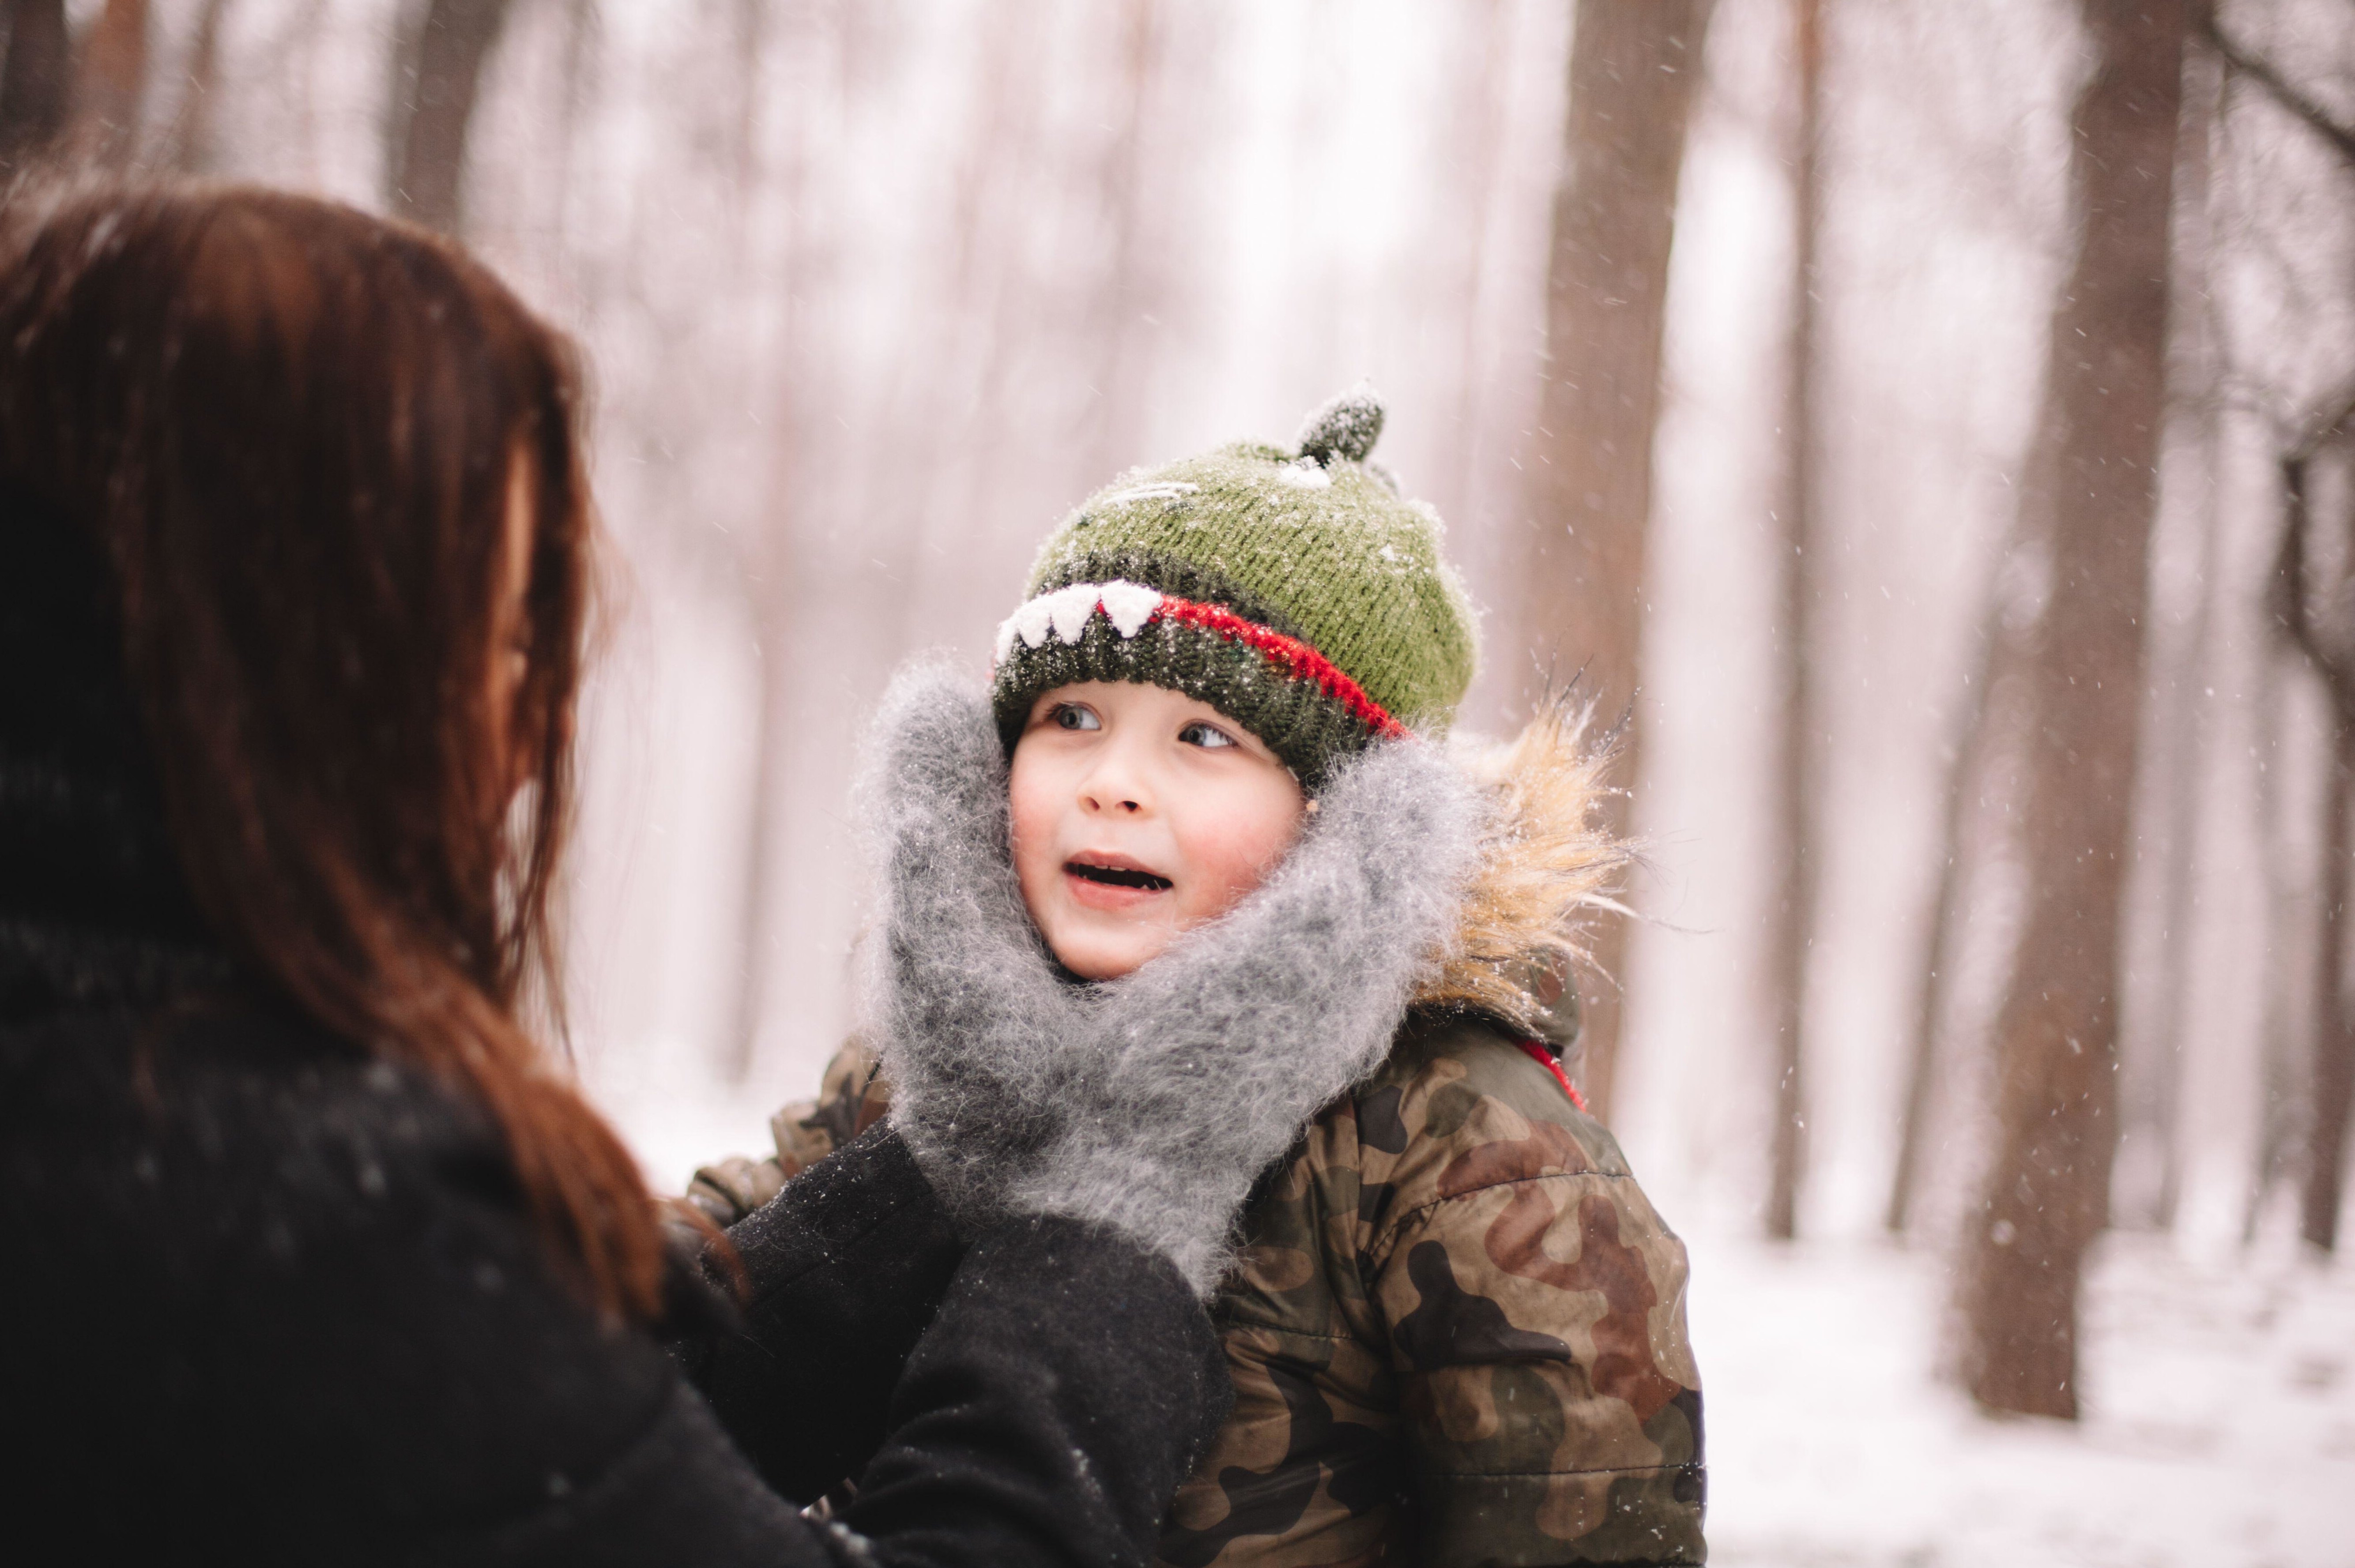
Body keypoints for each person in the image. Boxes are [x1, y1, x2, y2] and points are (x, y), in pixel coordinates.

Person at [0, 180, 1385, 1565]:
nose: (524, 739)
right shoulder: (275, 1214)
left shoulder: (128, 1095)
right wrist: (1120, 1204)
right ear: (288, 668)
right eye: (495, 640)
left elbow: (586, 1433)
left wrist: (945, 1175)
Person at [686, 390, 1710, 1566]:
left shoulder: (1465, 1143)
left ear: (1347, 823)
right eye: (1070, 716)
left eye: (1206, 738)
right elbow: (672, 1307)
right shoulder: (928, 1067)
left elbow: (1584, 1517)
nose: (1112, 783)